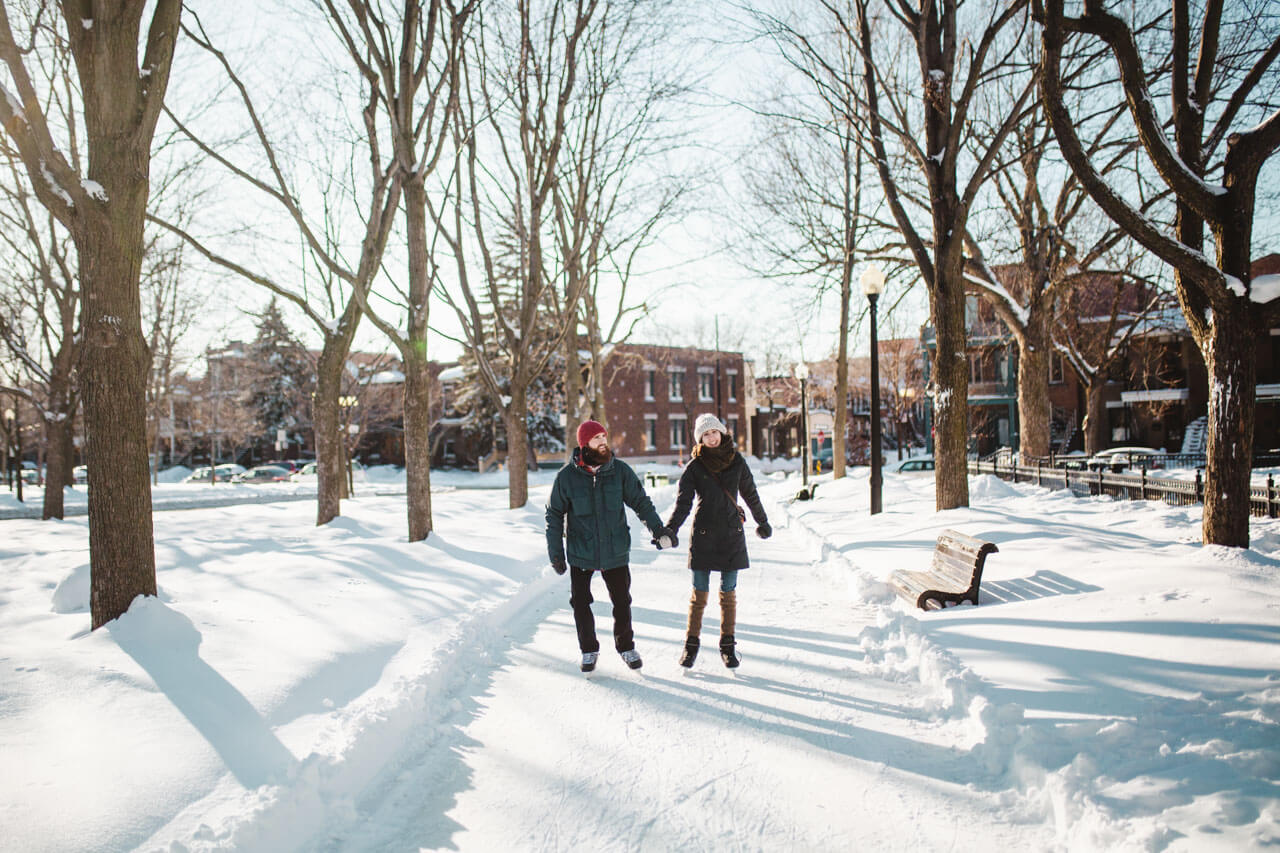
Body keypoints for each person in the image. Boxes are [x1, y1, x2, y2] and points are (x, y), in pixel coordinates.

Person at [546, 419, 676, 673]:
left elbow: (641, 503)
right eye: (597, 439)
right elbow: (554, 515)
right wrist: (556, 554)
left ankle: (626, 647)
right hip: (581, 551)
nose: (603, 442)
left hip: (615, 548)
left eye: (604, 437)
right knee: (581, 602)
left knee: (621, 601)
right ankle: (588, 650)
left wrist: (658, 530)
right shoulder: (567, 477)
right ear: (585, 444)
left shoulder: (620, 471)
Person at [664, 414, 770, 669]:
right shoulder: (695, 466)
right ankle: (691, 646)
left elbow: (750, 493)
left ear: (722, 433)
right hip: (703, 535)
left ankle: (727, 646)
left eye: (714, 432)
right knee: (699, 595)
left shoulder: (737, 461)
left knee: (728, 594)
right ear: (700, 439)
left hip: (731, 534)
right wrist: (670, 529)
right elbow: (683, 504)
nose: (711, 438)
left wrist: (762, 521)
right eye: (705, 435)